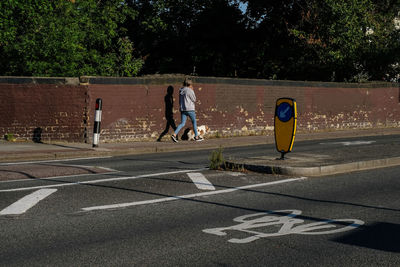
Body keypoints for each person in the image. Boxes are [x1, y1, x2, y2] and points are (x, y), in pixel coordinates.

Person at [171, 78, 203, 142]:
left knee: (182, 123)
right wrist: (192, 91)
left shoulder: (181, 90)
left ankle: (174, 134)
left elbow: (180, 101)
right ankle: (196, 137)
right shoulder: (190, 90)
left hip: (183, 109)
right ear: (190, 83)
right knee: (194, 122)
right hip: (190, 109)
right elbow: (194, 99)